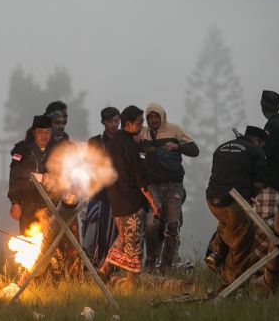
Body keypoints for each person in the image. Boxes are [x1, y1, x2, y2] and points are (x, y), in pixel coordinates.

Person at [138, 102, 199, 274]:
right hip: (152, 187)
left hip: (174, 186)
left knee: (172, 226)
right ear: (146, 118)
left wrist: (177, 146)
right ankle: (150, 262)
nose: (153, 120)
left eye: (156, 116)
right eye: (150, 117)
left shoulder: (175, 130)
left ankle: (165, 267)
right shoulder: (142, 132)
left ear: (162, 116)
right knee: (151, 224)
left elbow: (195, 150)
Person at [99, 105, 158, 280]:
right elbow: (140, 178)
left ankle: (104, 270)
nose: (142, 125)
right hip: (131, 201)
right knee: (134, 241)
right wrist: (153, 203)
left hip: (116, 199)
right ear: (129, 123)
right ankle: (132, 280)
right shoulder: (132, 145)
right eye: (140, 122)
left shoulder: (112, 142)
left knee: (124, 237)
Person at [205, 126, 267, 285]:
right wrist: (251, 197)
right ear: (257, 140)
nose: (262, 148)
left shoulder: (221, 147)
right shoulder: (256, 151)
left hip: (212, 200)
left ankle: (216, 253)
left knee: (229, 223)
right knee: (245, 238)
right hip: (235, 200)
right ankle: (233, 282)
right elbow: (259, 184)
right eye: (262, 144)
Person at [253, 90, 279, 259]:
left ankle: (263, 266)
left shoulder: (271, 126)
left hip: (270, 182)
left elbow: (266, 154)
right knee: (276, 226)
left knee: (264, 227)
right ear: (278, 106)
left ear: (262, 106)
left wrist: (255, 149)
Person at [82, 107, 119, 265]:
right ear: (103, 122)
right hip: (97, 194)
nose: (114, 124)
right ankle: (89, 266)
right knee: (92, 231)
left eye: (117, 121)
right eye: (110, 121)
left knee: (112, 235)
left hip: (116, 195)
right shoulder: (95, 141)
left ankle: (108, 268)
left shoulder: (123, 140)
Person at [8, 115, 54, 233]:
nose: (44, 136)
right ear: (34, 132)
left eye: (47, 132)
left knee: (50, 240)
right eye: (40, 132)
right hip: (28, 201)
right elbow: (14, 175)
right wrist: (15, 202)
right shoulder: (22, 149)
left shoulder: (56, 149)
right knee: (28, 238)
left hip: (51, 202)